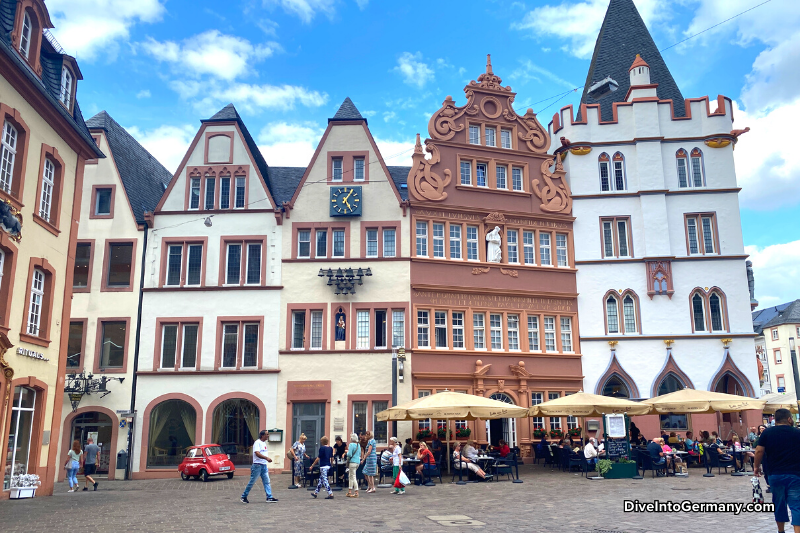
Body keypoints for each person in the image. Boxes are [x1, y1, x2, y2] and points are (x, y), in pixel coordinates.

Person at [755, 408, 800, 533]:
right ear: (789, 419)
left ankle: (781, 531)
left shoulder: (767, 433)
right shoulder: (797, 433)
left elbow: (759, 451)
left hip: (775, 474)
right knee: (797, 505)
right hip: (796, 474)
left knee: (779, 504)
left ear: (775, 419)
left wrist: (756, 466)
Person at [240, 430, 278, 504]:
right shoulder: (257, 442)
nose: (268, 435)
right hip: (257, 465)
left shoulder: (264, 443)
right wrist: (266, 458)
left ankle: (269, 497)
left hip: (263, 465)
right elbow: (257, 453)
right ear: (262, 435)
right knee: (252, 482)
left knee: (267, 481)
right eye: (267, 434)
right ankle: (244, 496)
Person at [345, 433, 361, 498]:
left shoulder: (351, 445)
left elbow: (349, 454)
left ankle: (356, 492)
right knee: (351, 476)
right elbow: (359, 453)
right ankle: (349, 491)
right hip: (357, 462)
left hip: (352, 462)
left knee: (353, 477)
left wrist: (346, 452)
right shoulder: (358, 445)